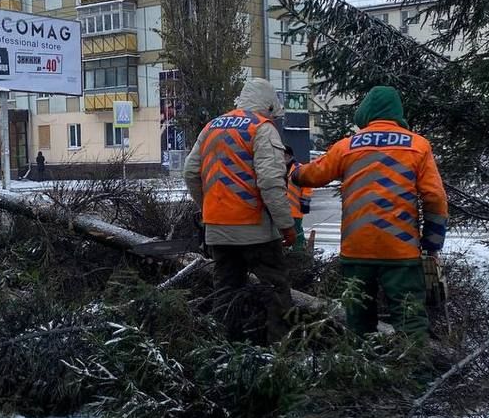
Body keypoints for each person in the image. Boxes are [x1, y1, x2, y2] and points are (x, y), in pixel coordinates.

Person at [291, 86, 448, 339]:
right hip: (400, 251)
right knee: (410, 322)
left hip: (357, 250)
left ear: (365, 113)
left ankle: (361, 360)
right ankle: (414, 364)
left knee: (358, 322)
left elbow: (312, 175)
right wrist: (432, 243)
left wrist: (294, 171)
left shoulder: (347, 146)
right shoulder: (418, 146)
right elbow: (436, 197)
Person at [184, 78, 296, 340]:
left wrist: (208, 210)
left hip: (218, 230)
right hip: (254, 230)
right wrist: (286, 225)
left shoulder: (211, 127)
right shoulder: (261, 127)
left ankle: (224, 348)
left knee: (225, 293)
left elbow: (190, 172)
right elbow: (270, 182)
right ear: (269, 106)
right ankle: (280, 349)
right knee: (275, 290)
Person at [283, 146, 312, 251]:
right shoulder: (280, 169)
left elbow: (307, 187)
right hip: (282, 208)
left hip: (295, 208)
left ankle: (299, 252)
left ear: (289, 156)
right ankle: (290, 251)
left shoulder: (298, 169)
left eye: (283, 156)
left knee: (296, 231)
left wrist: (305, 202)